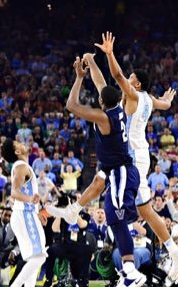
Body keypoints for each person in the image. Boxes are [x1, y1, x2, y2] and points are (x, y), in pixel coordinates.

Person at [55, 36, 178, 283]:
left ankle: (135, 263)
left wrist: (109, 53)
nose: (128, 79)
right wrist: (168, 102)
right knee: (129, 200)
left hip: (131, 158)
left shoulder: (135, 96)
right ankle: (173, 250)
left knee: (124, 208)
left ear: (136, 84)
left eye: (132, 79)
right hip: (132, 155)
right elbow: (160, 103)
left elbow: (115, 77)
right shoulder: (149, 99)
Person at [48, 55, 146, 287]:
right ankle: (74, 209)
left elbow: (72, 105)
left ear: (102, 102)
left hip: (121, 172)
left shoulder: (103, 117)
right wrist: (91, 62)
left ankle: (131, 271)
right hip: (114, 169)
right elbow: (101, 83)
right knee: (97, 187)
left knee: (117, 219)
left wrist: (79, 78)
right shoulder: (116, 107)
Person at [1, 138, 47, 287]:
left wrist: (38, 211)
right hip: (24, 215)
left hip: (26, 215)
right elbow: (14, 192)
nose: (22, 143)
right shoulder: (21, 167)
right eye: (18, 143)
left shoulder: (23, 166)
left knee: (33, 258)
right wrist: (30, 199)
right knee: (40, 256)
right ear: (17, 151)